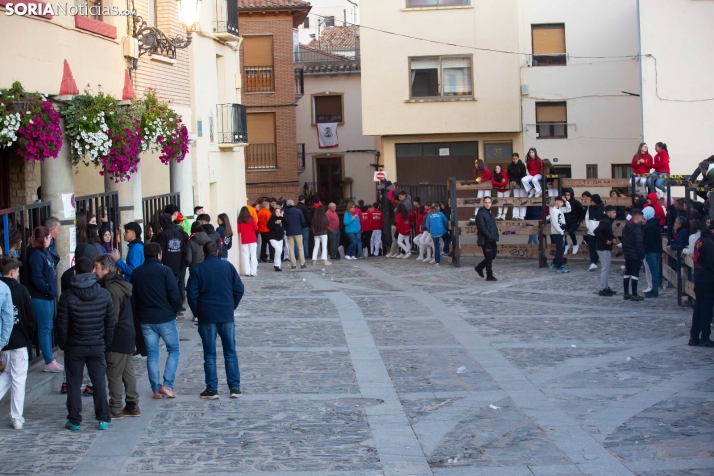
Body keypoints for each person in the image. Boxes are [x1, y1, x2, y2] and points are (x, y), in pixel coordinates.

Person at [57, 257, 115, 431]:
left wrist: (63, 344)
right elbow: (110, 322)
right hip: (97, 343)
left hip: (75, 345)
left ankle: (75, 420)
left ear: (75, 273)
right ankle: (103, 418)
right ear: (92, 271)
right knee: (98, 382)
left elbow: (62, 324)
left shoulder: (67, 296)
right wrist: (106, 342)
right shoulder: (104, 294)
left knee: (74, 383)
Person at [187, 241, 244, 399]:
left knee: (209, 353)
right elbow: (239, 288)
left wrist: (198, 311)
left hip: (207, 315)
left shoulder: (198, 269)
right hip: (225, 314)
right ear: (218, 252)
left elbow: (191, 293)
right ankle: (234, 388)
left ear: (204, 253)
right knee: (230, 352)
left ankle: (212, 389)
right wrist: (231, 306)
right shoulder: (228, 267)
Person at [130, 243, 182, 399]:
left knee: (152, 354)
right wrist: (174, 310)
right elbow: (175, 294)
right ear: (159, 255)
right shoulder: (165, 271)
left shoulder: (137, 273)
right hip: (165, 317)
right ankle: (167, 385)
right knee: (173, 349)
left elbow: (134, 298)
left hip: (146, 319)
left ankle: (155, 388)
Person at [93, 254, 139, 420]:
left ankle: (116, 408)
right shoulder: (120, 284)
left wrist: (106, 336)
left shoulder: (111, 288)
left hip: (118, 335)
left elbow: (112, 316)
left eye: (97, 268)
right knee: (127, 371)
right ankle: (132, 405)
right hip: (127, 333)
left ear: (106, 269)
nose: (94, 271)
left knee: (114, 373)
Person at [0, 257, 35, 430]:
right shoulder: (21, 290)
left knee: (7, 374)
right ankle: (16, 416)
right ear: (13, 273)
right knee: (19, 379)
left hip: (4, 342)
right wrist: (29, 336)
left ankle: (16, 416)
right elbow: (30, 317)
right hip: (19, 339)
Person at [27, 226, 62, 372]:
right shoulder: (36, 255)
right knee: (45, 328)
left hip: (47, 295)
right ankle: (48, 360)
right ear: (44, 239)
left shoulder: (44, 252)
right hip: (41, 296)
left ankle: (50, 359)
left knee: (48, 327)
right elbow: (37, 278)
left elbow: (55, 259)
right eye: (48, 237)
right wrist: (48, 289)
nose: (51, 239)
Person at [689, 221, 714, 346]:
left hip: (699, 277)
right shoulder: (709, 243)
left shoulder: (701, 239)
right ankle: (704, 337)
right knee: (706, 309)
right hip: (707, 280)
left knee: (699, 308)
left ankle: (694, 336)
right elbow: (711, 264)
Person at [156, 213, 186, 291]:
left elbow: (160, 252)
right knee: (174, 289)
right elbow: (183, 250)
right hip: (177, 267)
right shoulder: (179, 234)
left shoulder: (162, 235)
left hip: (165, 267)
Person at [621, 209, 646, 301]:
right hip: (635, 255)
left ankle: (626, 293)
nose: (642, 219)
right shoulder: (637, 230)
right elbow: (639, 244)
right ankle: (634, 294)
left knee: (627, 273)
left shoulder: (625, 228)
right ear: (638, 218)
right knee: (635, 274)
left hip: (627, 254)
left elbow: (623, 242)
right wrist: (641, 256)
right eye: (641, 218)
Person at [474, 196, 499, 281]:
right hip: (486, 239)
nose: (488, 204)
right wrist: (489, 235)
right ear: (483, 203)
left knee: (493, 255)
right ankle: (489, 275)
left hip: (492, 238)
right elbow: (481, 227)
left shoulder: (490, 213)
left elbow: (492, 225)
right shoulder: (481, 213)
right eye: (486, 202)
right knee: (488, 257)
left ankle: (479, 267)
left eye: (489, 202)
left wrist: (494, 236)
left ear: (491, 203)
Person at [595, 205, 618, 296]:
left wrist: (613, 238)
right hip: (603, 248)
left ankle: (606, 287)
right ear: (608, 213)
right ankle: (602, 288)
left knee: (606, 268)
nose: (615, 214)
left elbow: (609, 232)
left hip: (605, 247)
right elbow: (596, 231)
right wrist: (605, 240)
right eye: (613, 212)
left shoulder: (607, 221)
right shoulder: (606, 222)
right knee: (605, 268)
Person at [642, 207, 662, 298]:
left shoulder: (649, 226)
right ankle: (654, 289)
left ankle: (654, 290)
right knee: (655, 271)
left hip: (651, 251)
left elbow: (648, 240)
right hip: (656, 250)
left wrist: (645, 249)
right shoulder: (655, 224)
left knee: (653, 271)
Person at [282, 200, 307, 269]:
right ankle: (302, 263)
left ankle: (293, 264)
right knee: (300, 248)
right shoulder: (298, 211)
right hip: (298, 231)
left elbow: (283, 222)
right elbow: (303, 221)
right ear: (293, 204)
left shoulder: (285, 212)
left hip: (289, 232)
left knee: (291, 248)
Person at [549, 196, 570, 273]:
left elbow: (568, 209)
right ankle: (559, 266)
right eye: (561, 202)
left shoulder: (560, 209)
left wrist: (566, 202)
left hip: (561, 231)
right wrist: (560, 231)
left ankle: (554, 263)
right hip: (557, 232)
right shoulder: (554, 211)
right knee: (560, 249)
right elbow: (554, 223)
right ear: (556, 201)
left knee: (561, 248)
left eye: (562, 202)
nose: (562, 204)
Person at [424, 202, 448, 267]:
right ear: (437, 208)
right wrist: (445, 228)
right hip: (442, 231)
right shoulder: (440, 214)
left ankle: (437, 261)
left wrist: (430, 231)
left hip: (434, 232)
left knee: (436, 247)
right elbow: (445, 221)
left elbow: (427, 225)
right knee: (448, 239)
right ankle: (445, 250)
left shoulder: (429, 215)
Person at [237, 207, 258, 277]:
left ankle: (247, 271)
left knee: (246, 256)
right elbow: (256, 228)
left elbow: (239, 230)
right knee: (253, 255)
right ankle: (253, 271)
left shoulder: (239, 220)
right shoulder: (251, 219)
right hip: (252, 239)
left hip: (244, 239)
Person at [584, 193, 603, 272]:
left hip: (599, 231)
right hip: (591, 230)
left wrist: (600, 229)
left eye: (592, 200)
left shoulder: (602, 208)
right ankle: (593, 262)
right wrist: (589, 226)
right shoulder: (590, 208)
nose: (590, 202)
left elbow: (604, 219)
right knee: (591, 247)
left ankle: (598, 261)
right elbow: (587, 218)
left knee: (598, 247)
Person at [562, 188, 585, 255]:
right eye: (566, 195)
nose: (567, 197)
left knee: (571, 231)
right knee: (561, 231)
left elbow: (582, 213)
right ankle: (566, 244)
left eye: (568, 195)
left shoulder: (576, 203)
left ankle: (575, 244)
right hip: (566, 221)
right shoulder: (564, 203)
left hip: (575, 221)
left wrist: (579, 220)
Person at [507, 153, 528, 219]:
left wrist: (517, 181)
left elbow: (524, 175)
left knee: (522, 199)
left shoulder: (522, 165)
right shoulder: (510, 166)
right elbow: (509, 175)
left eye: (516, 159)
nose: (515, 160)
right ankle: (515, 214)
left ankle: (522, 215)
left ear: (518, 158)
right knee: (516, 198)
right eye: (513, 159)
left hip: (521, 184)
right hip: (515, 184)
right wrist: (512, 180)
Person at [296, 195, 312, 259]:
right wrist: (310, 225)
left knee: (297, 241)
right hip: (305, 226)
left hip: (297, 226)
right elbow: (308, 217)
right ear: (304, 200)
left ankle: (297, 255)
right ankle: (306, 254)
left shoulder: (295, 207)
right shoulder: (305, 207)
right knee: (305, 240)